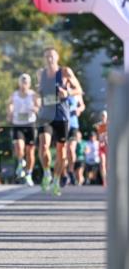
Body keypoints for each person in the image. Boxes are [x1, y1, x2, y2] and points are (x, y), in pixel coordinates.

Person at [36, 47, 83, 197]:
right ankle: (46, 173)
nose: (49, 59)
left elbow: (79, 90)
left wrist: (67, 93)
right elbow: (40, 93)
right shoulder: (41, 73)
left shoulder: (65, 72)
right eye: (46, 57)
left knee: (61, 151)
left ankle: (56, 180)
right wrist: (38, 99)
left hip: (62, 116)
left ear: (57, 57)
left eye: (51, 56)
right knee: (44, 145)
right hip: (46, 115)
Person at [7, 73, 39, 185]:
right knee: (19, 148)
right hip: (18, 124)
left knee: (30, 152)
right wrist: (10, 112)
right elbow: (10, 105)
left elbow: (38, 106)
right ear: (19, 83)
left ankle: (29, 174)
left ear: (29, 84)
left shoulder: (33, 94)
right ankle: (21, 162)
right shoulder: (14, 94)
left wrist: (34, 108)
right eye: (22, 82)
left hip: (30, 124)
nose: (24, 84)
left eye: (26, 82)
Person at [65, 91, 85, 185]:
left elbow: (82, 105)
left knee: (71, 149)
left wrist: (79, 109)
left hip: (73, 125)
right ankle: (63, 173)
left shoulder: (76, 92)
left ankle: (71, 171)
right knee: (63, 151)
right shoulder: (59, 88)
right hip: (62, 124)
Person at [95, 110, 108, 187]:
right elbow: (98, 136)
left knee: (107, 164)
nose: (103, 117)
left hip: (108, 146)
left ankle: (109, 179)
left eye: (104, 116)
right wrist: (100, 141)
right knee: (102, 163)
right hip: (101, 146)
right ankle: (104, 181)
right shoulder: (99, 125)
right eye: (102, 115)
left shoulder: (109, 125)